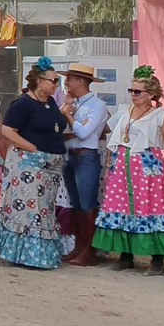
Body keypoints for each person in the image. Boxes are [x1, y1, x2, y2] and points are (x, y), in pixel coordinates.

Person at [94, 67, 164, 276]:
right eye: (131, 91)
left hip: (147, 170)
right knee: (123, 210)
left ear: (150, 95)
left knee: (150, 210)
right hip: (122, 168)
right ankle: (126, 255)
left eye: (138, 92)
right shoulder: (124, 112)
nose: (133, 95)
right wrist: (109, 167)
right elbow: (114, 142)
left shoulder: (159, 116)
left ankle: (157, 261)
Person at [0, 58, 70, 269]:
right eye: (54, 81)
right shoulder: (22, 104)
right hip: (29, 165)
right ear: (40, 82)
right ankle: (26, 254)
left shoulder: (49, 102)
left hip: (50, 166)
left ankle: (41, 253)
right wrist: (32, 148)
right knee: (30, 209)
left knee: (45, 209)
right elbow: (7, 131)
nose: (56, 85)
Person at [54, 62, 108, 266]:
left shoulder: (97, 105)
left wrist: (68, 114)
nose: (66, 83)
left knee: (87, 204)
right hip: (73, 155)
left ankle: (89, 250)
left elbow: (84, 132)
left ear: (80, 81)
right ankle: (80, 246)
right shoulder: (77, 103)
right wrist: (67, 109)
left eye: (69, 79)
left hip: (86, 156)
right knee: (77, 204)